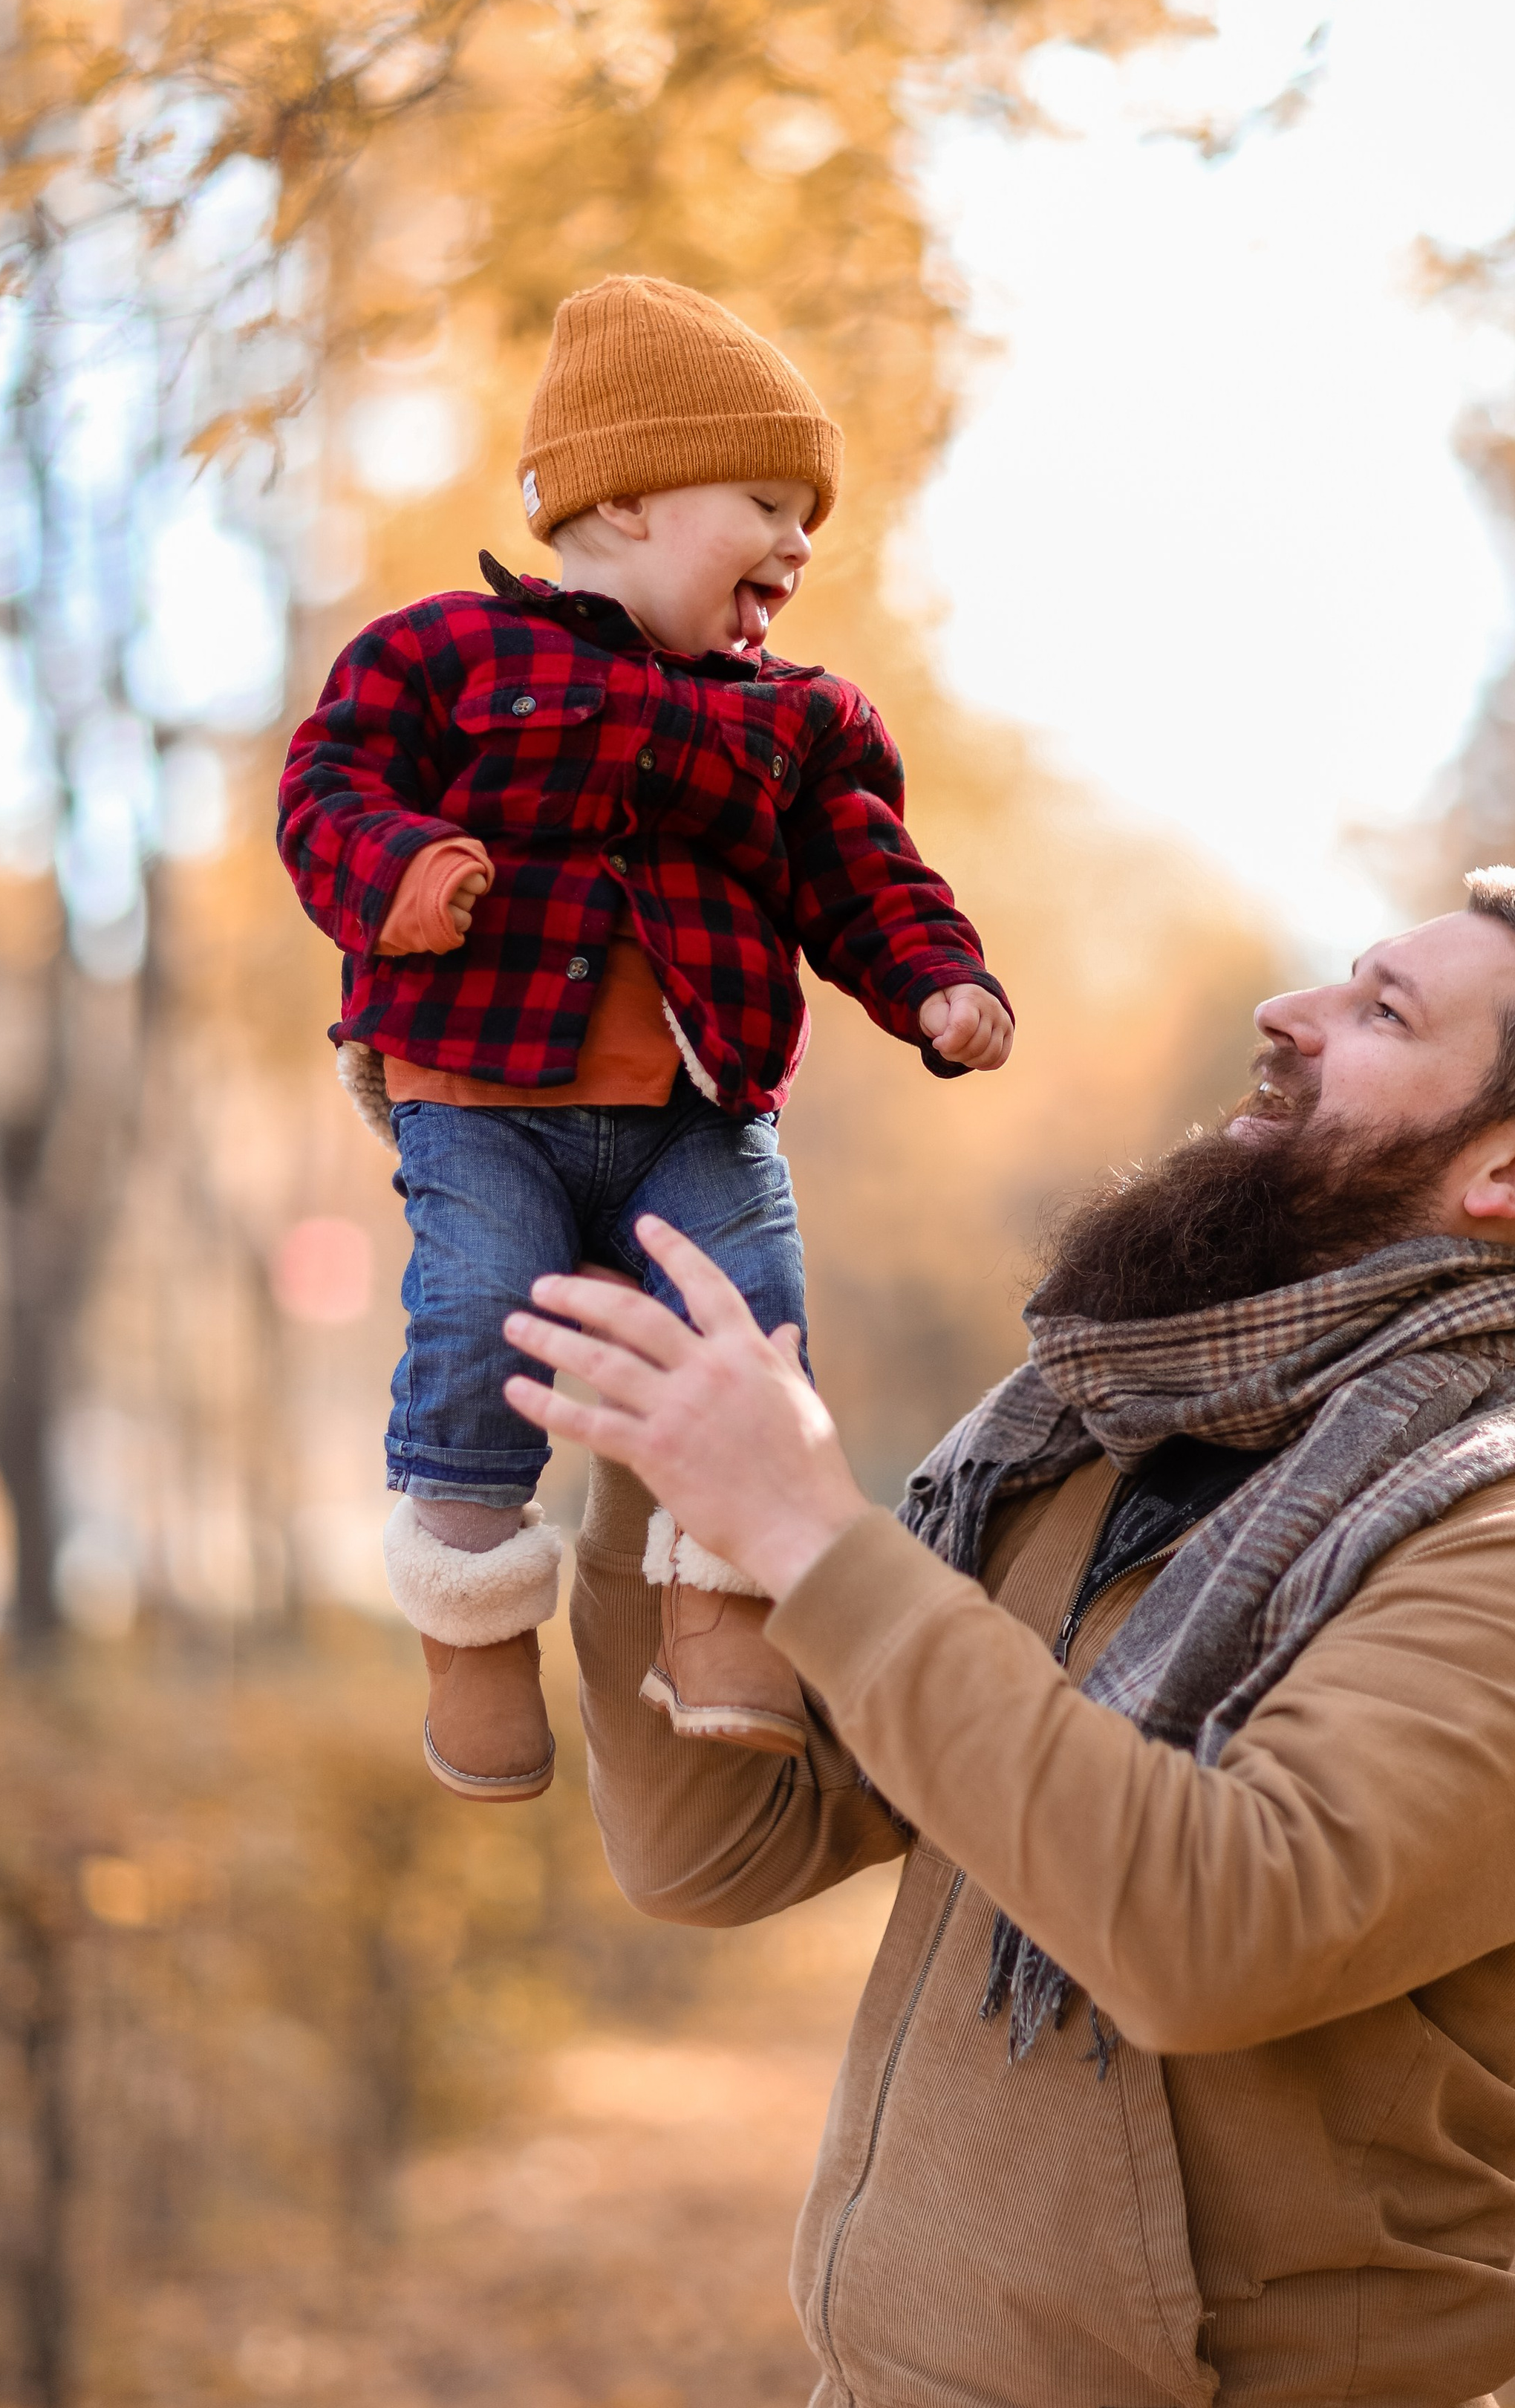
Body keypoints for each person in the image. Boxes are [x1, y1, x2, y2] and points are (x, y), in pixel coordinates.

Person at [518, 868, 1515, 2408]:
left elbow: (1204, 1932)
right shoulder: (1090, 1452)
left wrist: (809, 1535)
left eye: (1378, 1010)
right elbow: (713, 1852)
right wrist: (662, 1453)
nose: (1283, 1015)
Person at [277, 276, 1012, 1805]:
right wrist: (403, 870)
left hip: (695, 1107)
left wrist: (938, 979)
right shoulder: (444, 658)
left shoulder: (796, 722)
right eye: (764, 501)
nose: (800, 545)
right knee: (484, 1314)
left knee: (752, 1332)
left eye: (809, 515)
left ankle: (719, 1617)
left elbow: (863, 873)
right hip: (481, 1090)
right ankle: (473, 1641)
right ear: (619, 502)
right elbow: (326, 791)